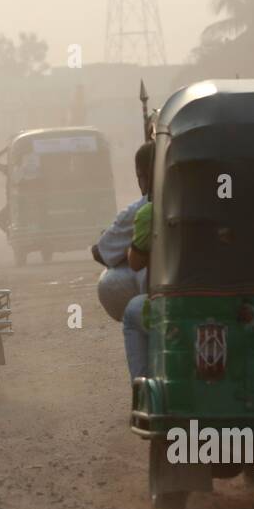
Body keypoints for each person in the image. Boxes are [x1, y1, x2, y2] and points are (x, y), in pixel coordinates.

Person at [93, 142, 150, 322]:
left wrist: (128, 251)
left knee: (132, 317)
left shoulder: (144, 212)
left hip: (166, 298)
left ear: (143, 176)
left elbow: (104, 252)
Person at [123, 142, 154, 381]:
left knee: (133, 312)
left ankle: (142, 388)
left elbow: (135, 263)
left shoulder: (149, 212)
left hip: (176, 306)